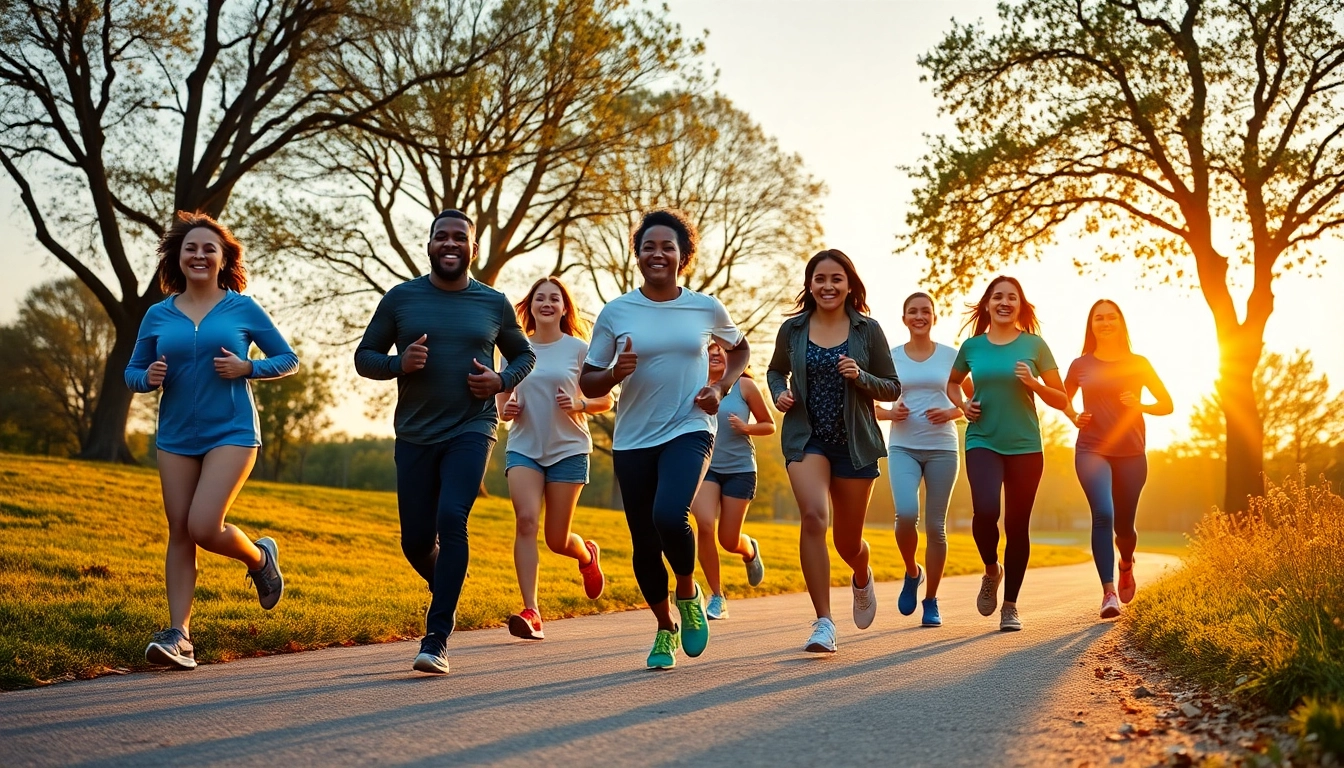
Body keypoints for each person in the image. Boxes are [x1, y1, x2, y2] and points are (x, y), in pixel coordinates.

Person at [354, 209, 535, 674]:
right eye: (442, 236)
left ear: (473, 249)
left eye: (460, 238)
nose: (450, 244)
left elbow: (524, 354)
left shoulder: (493, 303)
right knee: (416, 542)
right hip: (415, 432)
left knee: (452, 517)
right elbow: (364, 357)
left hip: (471, 428)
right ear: (430, 244)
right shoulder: (401, 299)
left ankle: (436, 640)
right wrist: (399, 364)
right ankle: (450, 580)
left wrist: (499, 380)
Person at [126, 211, 298, 670]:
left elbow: (288, 358)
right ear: (177, 258)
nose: (199, 255)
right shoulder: (158, 314)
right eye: (191, 248)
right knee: (179, 531)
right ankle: (179, 635)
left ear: (223, 259)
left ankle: (259, 559)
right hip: (175, 436)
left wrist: (250, 368)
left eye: (209, 249)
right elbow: (132, 371)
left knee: (204, 526)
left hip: (233, 432)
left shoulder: (242, 308)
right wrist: (148, 377)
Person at [579, 208, 749, 670]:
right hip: (633, 438)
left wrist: (719, 387)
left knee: (669, 514)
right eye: (649, 246)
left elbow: (740, 349)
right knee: (643, 542)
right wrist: (615, 372)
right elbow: (589, 382)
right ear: (637, 255)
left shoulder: (705, 307)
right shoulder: (617, 312)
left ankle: (689, 593)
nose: (658, 253)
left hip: (689, 427)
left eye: (668, 246)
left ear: (683, 255)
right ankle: (664, 628)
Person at [767, 249, 900, 654]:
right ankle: (824, 622)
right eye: (820, 278)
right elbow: (775, 370)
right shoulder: (793, 330)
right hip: (807, 438)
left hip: (854, 443)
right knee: (813, 516)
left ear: (849, 285)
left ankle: (861, 573)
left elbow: (892, 387)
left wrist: (860, 376)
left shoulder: (867, 330)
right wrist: (779, 393)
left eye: (836, 279)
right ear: (810, 284)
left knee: (847, 542)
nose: (827, 286)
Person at [946, 276, 1069, 632]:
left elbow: (1061, 400)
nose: (1004, 301)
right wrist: (963, 403)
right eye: (997, 296)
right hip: (982, 439)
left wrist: (1034, 383)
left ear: (1020, 305)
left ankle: (1011, 605)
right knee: (985, 511)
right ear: (987, 305)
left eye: (1011, 297)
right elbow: (953, 383)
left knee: (1017, 526)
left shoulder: (1035, 345)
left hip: (1026, 446)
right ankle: (990, 570)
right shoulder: (972, 347)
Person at [495, 276, 612, 640]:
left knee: (556, 539)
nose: (547, 303)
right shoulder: (514, 350)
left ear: (564, 308)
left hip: (569, 449)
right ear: (529, 306)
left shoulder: (579, 349)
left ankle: (586, 555)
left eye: (554, 299)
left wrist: (580, 403)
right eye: (539, 298)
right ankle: (532, 611)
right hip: (524, 447)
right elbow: (501, 402)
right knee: (526, 522)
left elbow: (607, 399)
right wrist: (507, 408)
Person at [1063, 299, 1173, 618]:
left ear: (1121, 323)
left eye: (1111, 317)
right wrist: (1073, 416)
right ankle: (1108, 592)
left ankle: (1126, 563)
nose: (1105, 322)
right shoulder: (1080, 364)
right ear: (1091, 325)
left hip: (1131, 452)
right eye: (1099, 318)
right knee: (1103, 514)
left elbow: (1167, 404)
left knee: (1124, 527)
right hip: (1091, 448)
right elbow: (1063, 398)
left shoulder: (1138, 363)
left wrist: (1141, 405)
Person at [875, 292, 964, 628]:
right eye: (912, 311)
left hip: (943, 447)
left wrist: (951, 412)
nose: (919, 316)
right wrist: (889, 412)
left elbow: (970, 400)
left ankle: (931, 600)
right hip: (903, 447)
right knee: (906, 514)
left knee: (935, 527)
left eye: (925, 311)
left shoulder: (950, 357)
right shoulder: (891, 357)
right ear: (904, 318)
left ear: (934, 317)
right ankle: (913, 572)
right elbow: (871, 402)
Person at [690, 342, 775, 620]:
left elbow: (769, 424)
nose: (715, 353)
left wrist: (747, 427)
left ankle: (749, 549)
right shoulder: (692, 383)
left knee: (728, 539)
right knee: (704, 524)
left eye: (721, 350)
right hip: (705, 467)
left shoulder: (745, 386)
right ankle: (717, 596)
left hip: (740, 469)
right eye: (710, 350)